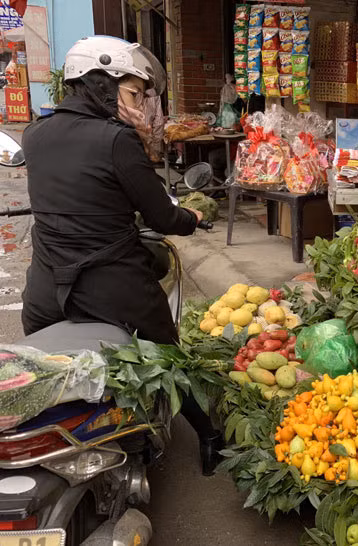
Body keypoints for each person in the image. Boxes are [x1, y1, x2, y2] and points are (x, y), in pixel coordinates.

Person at [21, 36, 222, 474]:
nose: (140, 104)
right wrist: (190, 217)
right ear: (99, 84)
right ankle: (208, 435)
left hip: (44, 291)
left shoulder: (35, 133)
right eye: (133, 92)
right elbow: (161, 215)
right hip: (110, 285)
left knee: (41, 371)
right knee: (168, 355)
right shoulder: (116, 140)